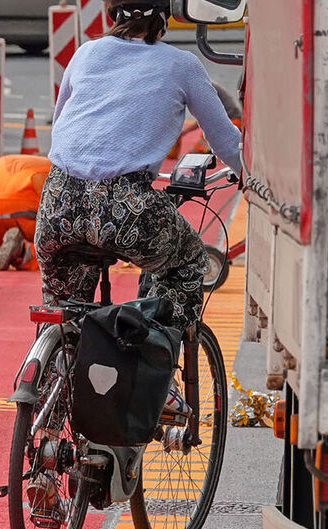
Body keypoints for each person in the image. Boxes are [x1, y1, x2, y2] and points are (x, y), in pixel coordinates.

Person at [35, 0, 242, 332]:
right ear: (164, 17)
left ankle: (52, 371)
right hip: (125, 208)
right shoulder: (182, 65)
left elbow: (61, 127)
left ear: (113, 13)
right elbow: (226, 141)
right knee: (188, 260)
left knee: (62, 311)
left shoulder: (86, 54)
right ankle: (153, 365)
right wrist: (254, 176)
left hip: (58, 202)